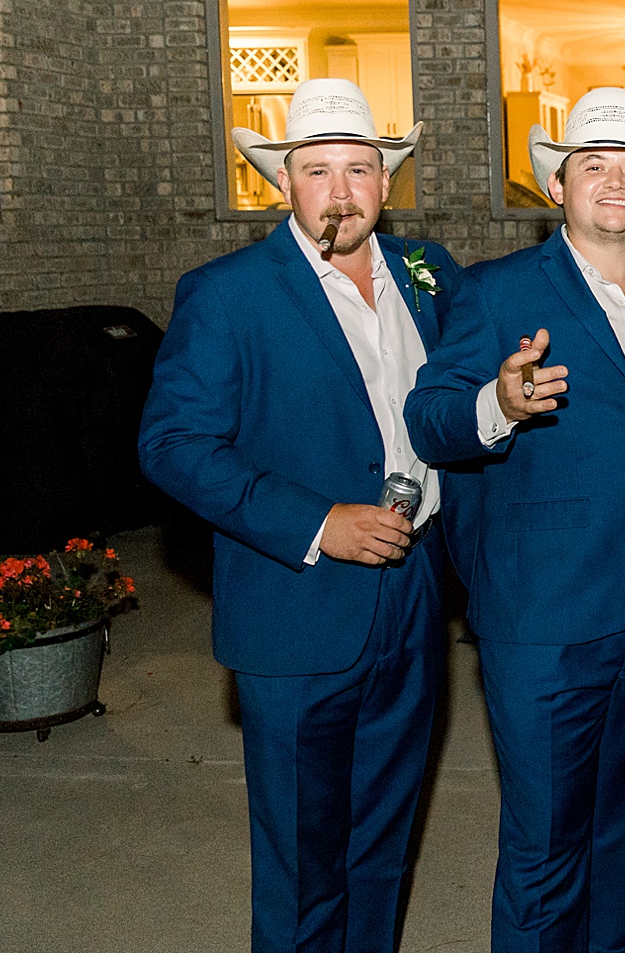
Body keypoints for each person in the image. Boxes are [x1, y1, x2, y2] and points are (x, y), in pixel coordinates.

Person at [403, 87, 625, 952]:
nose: (615, 182)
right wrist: (499, 403)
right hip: (549, 619)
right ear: (557, 186)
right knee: (546, 850)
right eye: (594, 166)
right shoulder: (498, 290)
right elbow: (428, 417)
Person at [139, 78, 461, 951]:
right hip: (295, 601)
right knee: (301, 856)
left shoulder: (428, 274)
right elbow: (172, 443)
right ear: (283, 182)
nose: (341, 191)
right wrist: (320, 522)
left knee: (384, 840)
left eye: (359, 168)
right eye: (318, 170)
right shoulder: (228, 293)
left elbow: (518, 314)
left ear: (386, 181)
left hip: (414, 588)